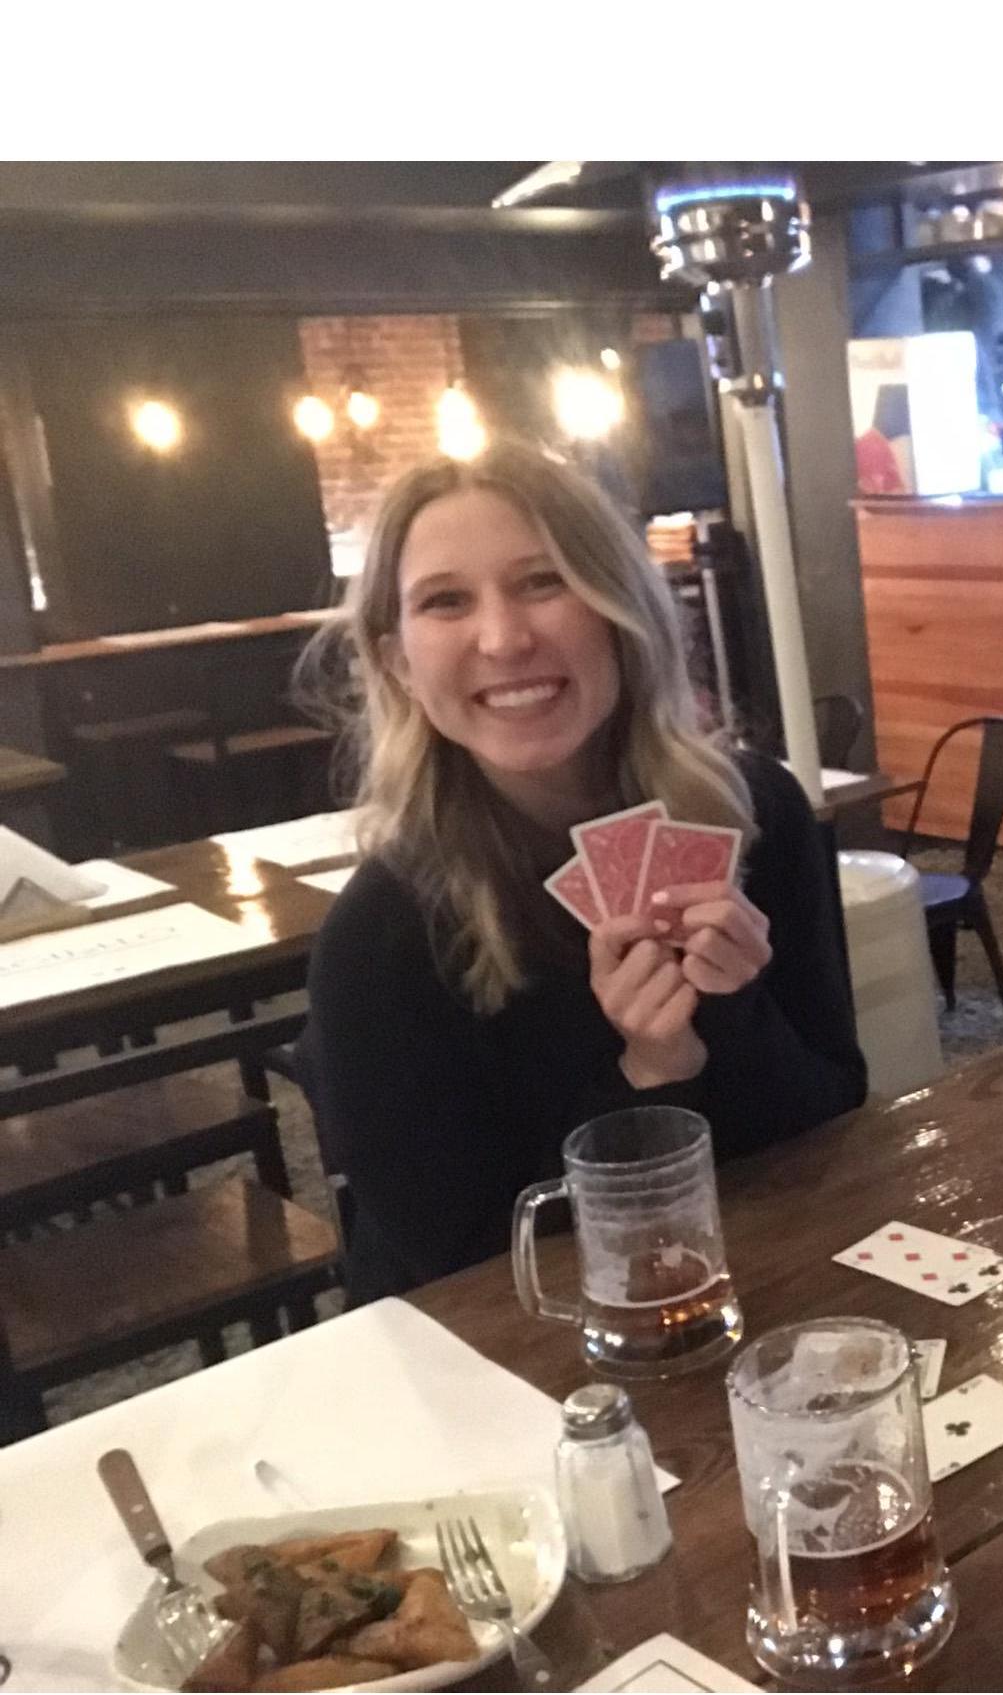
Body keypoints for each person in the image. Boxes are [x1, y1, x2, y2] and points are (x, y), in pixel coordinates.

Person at [303, 440, 866, 1300]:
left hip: (771, 1289)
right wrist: (644, 1075)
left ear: (620, 608)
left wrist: (737, 1011)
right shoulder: (380, 937)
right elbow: (467, 1272)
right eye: (446, 602)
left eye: (544, 581)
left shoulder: (755, 815)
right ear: (397, 663)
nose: (504, 638)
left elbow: (833, 1124)